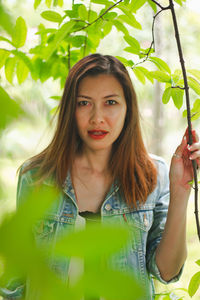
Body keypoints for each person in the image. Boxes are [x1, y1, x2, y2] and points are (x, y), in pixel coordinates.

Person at [1, 53, 200, 300]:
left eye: (111, 103)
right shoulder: (37, 178)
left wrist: (181, 190)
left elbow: (166, 272)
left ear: (128, 108)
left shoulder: (154, 176)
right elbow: (16, 280)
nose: (97, 118)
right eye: (84, 103)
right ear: (69, 109)